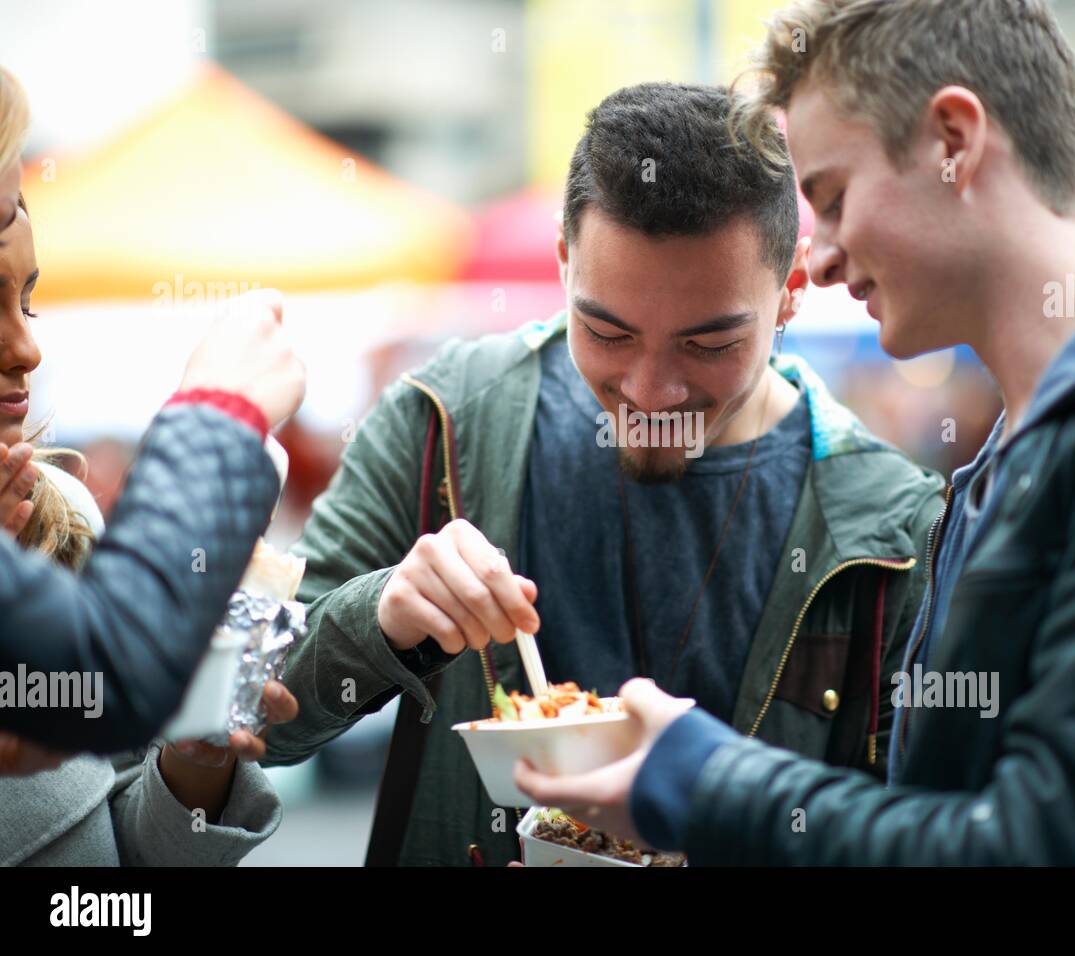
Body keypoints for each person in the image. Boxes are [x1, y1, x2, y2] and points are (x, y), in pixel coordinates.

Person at [515, 0, 1075, 866]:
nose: (817, 258)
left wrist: (705, 785)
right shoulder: (1017, 461)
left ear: (954, 142)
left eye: (835, 197)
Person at [263, 81, 944, 865]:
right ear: (563, 260)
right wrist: (382, 615)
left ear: (791, 289)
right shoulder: (445, 421)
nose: (652, 392)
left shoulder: (895, 529)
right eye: (606, 331)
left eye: (708, 344)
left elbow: (924, 831)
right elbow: (266, 723)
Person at [0, 65, 307, 761]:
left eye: (27, 302)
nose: (29, 348)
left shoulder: (61, 513)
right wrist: (217, 416)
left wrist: (191, 758)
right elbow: (108, 680)